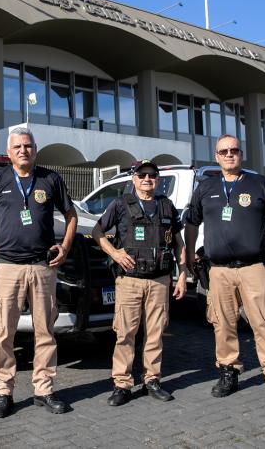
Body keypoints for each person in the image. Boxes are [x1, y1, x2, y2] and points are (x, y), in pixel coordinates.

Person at [0, 126, 78, 418]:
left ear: (35, 149)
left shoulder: (50, 179)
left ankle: (44, 390)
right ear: (8, 153)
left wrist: (64, 246)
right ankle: (3, 392)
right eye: (17, 147)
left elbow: (71, 215)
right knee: (3, 332)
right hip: (8, 267)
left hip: (42, 267)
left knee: (45, 332)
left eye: (28, 146)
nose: (23, 151)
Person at [183, 134, 265, 408]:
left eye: (234, 150)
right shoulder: (205, 187)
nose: (229, 154)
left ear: (241, 154)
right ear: (216, 156)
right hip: (218, 271)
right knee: (223, 326)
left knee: (264, 324)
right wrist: (187, 254)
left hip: (253, 268)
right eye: (224, 151)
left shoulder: (259, 183)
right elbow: (192, 224)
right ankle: (228, 372)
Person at [92, 160, 188, 406]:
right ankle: (122, 384)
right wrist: (114, 253)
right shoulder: (121, 204)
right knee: (125, 334)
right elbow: (97, 232)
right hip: (130, 281)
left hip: (159, 280)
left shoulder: (166, 206)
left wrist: (183, 275)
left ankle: (152, 380)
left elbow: (178, 242)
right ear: (134, 179)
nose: (147, 179)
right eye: (142, 175)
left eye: (152, 175)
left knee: (155, 333)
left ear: (157, 179)